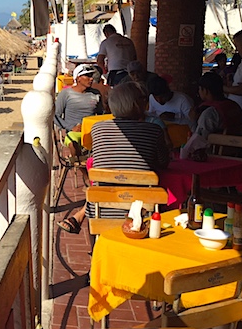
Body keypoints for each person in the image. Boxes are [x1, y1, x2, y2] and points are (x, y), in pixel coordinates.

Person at [58, 81, 169, 233]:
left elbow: (97, 158)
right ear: (138, 104)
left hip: (101, 208)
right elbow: (164, 163)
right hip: (141, 210)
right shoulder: (154, 130)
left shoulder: (97, 129)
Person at [54, 64, 104, 140]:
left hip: (91, 131)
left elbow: (101, 114)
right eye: (87, 76)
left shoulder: (96, 94)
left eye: (91, 76)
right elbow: (56, 116)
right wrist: (71, 128)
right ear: (78, 78)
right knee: (74, 143)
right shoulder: (65, 93)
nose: (91, 79)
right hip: (72, 133)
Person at [192, 71, 242, 137]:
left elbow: (198, 140)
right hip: (237, 145)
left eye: (199, 89)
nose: (199, 92)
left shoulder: (209, 114)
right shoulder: (235, 106)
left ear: (205, 90)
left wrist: (193, 121)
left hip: (216, 146)